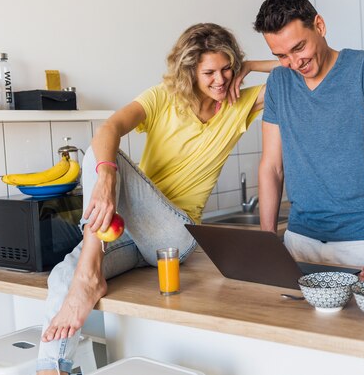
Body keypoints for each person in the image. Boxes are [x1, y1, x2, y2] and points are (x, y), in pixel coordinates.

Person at [37, 23, 277, 375]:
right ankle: (51, 367)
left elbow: (302, 68)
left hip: (176, 236)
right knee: (62, 276)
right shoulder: (164, 97)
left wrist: (252, 66)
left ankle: (89, 274)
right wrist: (105, 179)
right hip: (133, 234)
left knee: (103, 157)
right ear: (190, 71)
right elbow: (111, 127)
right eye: (209, 72)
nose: (221, 79)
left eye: (227, 68)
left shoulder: (241, 102)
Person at [254, 0, 364, 280]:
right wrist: (266, 242)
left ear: (320, 26)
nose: (294, 62)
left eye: (299, 47)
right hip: (299, 242)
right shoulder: (279, 82)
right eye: (281, 55)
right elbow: (272, 168)